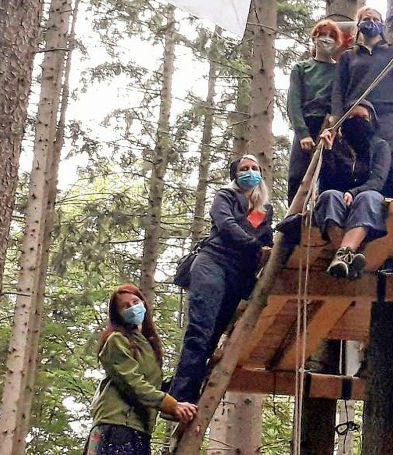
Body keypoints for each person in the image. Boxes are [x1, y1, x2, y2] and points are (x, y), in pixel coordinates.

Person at [169, 155, 273, 403]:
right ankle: (181, 395)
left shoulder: (264, 210)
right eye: (244, 168)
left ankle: (189, 385)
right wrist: (254, 246)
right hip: (213, 262)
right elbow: (225, 225)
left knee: (215, 333)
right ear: (235, 176)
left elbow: (267, 239)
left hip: (240, 273)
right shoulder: (225, 196)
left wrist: (269, 249)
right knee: (200, 328)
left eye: (254, 168)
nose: (250, 172)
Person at [86, 285, 195, 454]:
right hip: (115, 425)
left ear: (144, 303)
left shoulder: (148, 345)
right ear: (118, 315)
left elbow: (152, 386)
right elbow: (133, 384)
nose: (132, 308)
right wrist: (171, 405)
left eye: (135, 302)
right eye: (126, 306)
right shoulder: (117, 340)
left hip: (139, 429)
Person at [313, 102, 392, 279]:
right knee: (329, 196)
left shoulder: (380, 146)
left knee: (368, 197)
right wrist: (327, 150)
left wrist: (355, 192)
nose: (359, 121)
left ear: (372, 120)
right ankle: (347, 255)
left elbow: (378, 180)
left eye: (364, 117)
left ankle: (341, 256)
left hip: (366, 195)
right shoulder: (338, 146)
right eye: (353, 117)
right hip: (340, 197)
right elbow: (329, 182)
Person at [331, 7, 393, 143]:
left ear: (382, 25)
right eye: (366, 19)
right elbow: (338, 89)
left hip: (389, 116)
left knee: (390, 157)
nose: (371, 22)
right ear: (358, 24)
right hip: (356, 116)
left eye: (376, 19)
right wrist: (336, 118)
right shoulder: (348, 56)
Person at [286, 19, 344, 202]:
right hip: (306, 123)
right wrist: (303, 133)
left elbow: (338, 98)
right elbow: (293, 102)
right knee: (297, 175)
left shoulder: (339, 70)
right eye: (322, 35)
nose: (326, 39)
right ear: (314, 38)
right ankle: (292, 221)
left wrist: (335, 125)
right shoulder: (301, 68)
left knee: (329, 173)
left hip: (328, 126)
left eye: (331, 36)